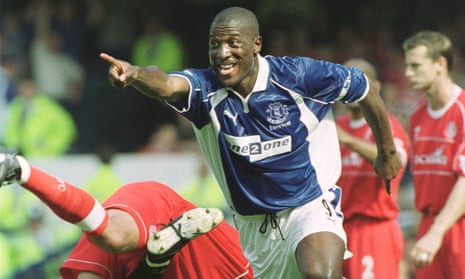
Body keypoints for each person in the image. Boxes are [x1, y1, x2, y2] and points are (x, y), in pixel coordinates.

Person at [100, 6, 402, 278]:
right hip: (255, 227)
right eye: (215, 44)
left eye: (233, 43)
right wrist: (136, 73)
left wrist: (386, 151)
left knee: (320, 274)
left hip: (309, 204)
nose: (223, 53)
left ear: (256, 45)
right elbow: (166, 84)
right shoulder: (205, 89)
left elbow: (363, 88)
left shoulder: (298, 76)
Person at [0, 150, 253, 279]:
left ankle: (154, 262)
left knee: (115, 238)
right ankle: (19, 169)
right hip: (167, 218)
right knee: (115, 235)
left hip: (167, 251)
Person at [335, 58, 410, 279]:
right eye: (345, 83)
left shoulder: (388, 126)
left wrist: (349, 141)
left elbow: (396, 160)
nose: (351, 90)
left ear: (375, 86)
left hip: (373, 228)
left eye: (359, 81)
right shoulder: (334, 126)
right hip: (338, 228)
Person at [403, 30, 465, 279]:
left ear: (440, 64)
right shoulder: (417, 117)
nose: (408, 73)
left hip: (458, 226)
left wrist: (437, 232)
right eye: (407, 66)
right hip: (429, 225)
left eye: (416, 66)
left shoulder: (462, 111)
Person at [4, 78, 77, 157]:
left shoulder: (48, 107)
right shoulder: (16, 106)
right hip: (20, 155)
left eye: (29, 87)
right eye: (24, 88)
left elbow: (66, 129)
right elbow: (9, 129)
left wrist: (51, 147)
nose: (27, 91)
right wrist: (12, 146)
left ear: (35, 88)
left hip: (44, 156)